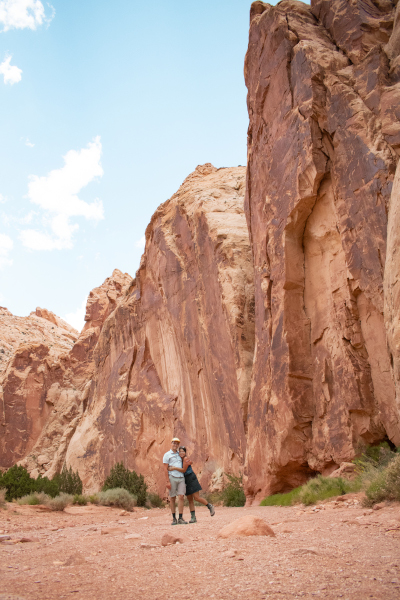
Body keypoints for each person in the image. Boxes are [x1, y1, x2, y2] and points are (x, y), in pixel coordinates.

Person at [168, 446, 215, 523]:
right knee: (190, 499)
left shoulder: (186, 459)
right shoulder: (180, 459)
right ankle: (193, 518)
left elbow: (183, 470)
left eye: (183, 451)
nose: (181, 453)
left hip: (191, 478)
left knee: (196, 497)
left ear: (185, 452)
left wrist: (173, 468)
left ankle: (209, 506)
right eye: (180, 451)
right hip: (185, 480)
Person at [163, 437, 188, 525]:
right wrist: (167, 481)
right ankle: (174, 519)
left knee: (181, 497)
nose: (175, 445)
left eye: (177, 444)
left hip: (181, 478)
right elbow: (165, 469)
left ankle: (180, 518)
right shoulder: (167, 455)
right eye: (174, 443)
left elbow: (186, 461)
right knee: (172, 498)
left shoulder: (180, 454)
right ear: (171, 443)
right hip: (172, 477)